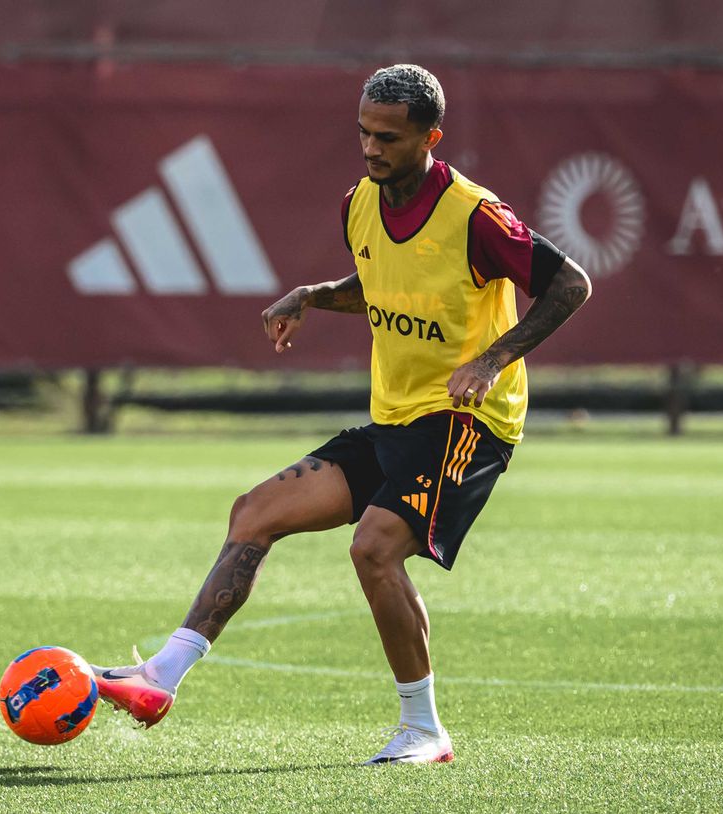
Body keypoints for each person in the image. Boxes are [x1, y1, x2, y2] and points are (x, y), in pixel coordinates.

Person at [91, 63, 591, 765]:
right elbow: (384, 282)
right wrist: (313, 294)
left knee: (374, 549)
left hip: (465, 422)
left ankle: (422, 731)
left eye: (388, 136)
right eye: (363, 132)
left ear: (431, 137)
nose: (371, 147)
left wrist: (493, 359)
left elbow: (571, 283)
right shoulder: (360, 201)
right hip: (394, 417)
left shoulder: (475, 214)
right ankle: (159, 679)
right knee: (254, 512)